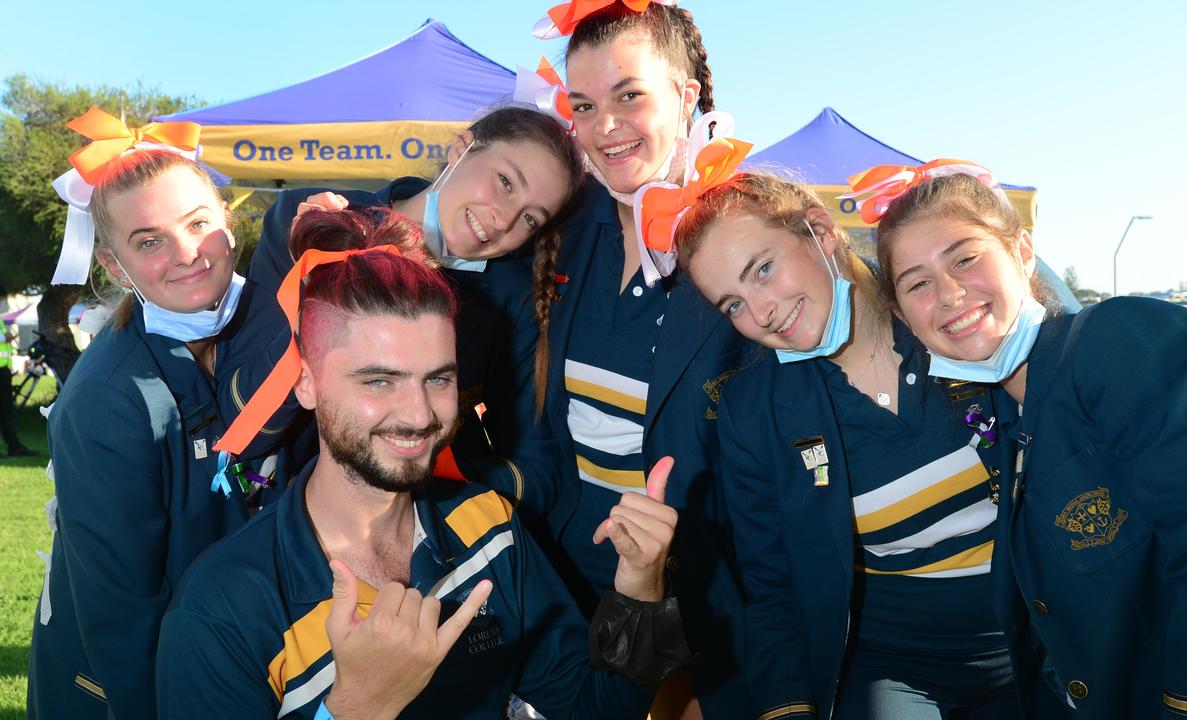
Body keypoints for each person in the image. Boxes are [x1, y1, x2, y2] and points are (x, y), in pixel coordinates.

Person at [157, 209, 687, 719]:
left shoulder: (488, 523)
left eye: (438, 379)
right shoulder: (224, 608)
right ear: (307, 384)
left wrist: (639, 592)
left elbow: (592, 709)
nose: (418, 415)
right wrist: (360, 708)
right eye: (378, 381)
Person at [872, 162, 1187, 718]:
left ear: (1021, 253)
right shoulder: (995, 415)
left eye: (965, 258)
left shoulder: (1119, 341)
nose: (947, 293)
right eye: (917, 282)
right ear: (902, 315)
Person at [660, 169, 1022, 719]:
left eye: (763, 270)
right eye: (732, 304)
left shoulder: (953, 316)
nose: (761, 314)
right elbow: (772, 587)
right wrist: (787, 708)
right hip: (893, 671)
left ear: (821, 231)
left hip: (1039, 646)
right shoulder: (753, 412)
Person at [493, 3, 752, 716]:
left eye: (629, 95)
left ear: (686, 96)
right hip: (559, 587)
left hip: (700, 610)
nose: (605, 126)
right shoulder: (565, 230)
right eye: (584, 105)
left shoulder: (746, 237)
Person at [27, 110, 276, 719]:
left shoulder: (274, 329)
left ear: (229, 223)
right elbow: (121, 613)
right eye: (148, 241)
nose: (186, 253)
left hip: (240, 643)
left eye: (197, 223)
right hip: (127, 681)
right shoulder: (108, 398)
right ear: (116, 267)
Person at [219, 105, 582, 465]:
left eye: (531, 219)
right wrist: (311, 299)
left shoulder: (511, 297)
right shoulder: (312, 221)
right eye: (505, 182)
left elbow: (535, 459)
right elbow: (240, 426)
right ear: (462, 149)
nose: (504, 221)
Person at [0, 317, 37, 456]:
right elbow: (4, 339)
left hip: (3, 370)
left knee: (6, 411)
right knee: (5, 411)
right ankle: (14, 446)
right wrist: (4, 337)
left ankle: (14, 446)